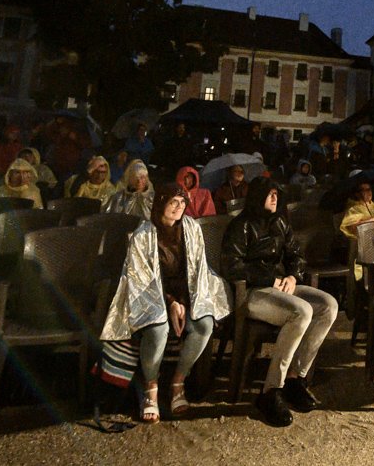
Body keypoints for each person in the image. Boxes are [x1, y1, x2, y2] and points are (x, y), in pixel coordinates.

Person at [99, 183, 230, 422]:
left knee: (204, 325)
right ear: (161, 204)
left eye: (182, 203)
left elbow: (197, 270)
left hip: (186, 295)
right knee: (158, 329)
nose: (178, 208)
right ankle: (151, 385)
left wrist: (184, 302)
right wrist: (169, 304)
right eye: (173, 202)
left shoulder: (191, 228)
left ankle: (178, 381)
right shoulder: (143, 235)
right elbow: (142, 280)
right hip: (152, 297)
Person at [222, 178, 338, 427]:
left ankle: (296, 378)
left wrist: (293, 276)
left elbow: (296, 254)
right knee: (301, 311)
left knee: (328, 305)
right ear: (257, 196)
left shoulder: (279, 222)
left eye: (276, 193)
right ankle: (270, 390)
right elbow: (232, 266)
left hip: (281, 287)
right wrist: (271, 280)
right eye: (269, 194)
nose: (274, 198)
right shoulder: (241, 226)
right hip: (253, 292)